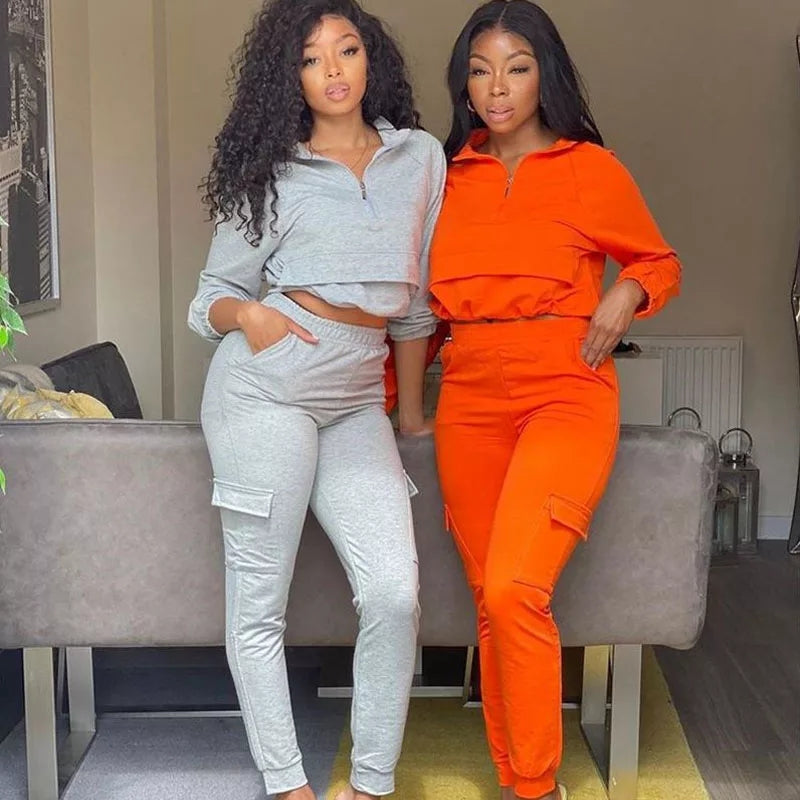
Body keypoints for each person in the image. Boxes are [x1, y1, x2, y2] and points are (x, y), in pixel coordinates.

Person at [187, 1, 446, 797]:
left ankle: (370, 782)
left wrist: (409, 416)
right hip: (265, 390)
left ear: (372, 60)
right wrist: (252, 316)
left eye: (348, 50)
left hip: (357, 398)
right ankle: (288, 784)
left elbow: (414, 306)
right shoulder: (271, 171)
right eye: (310, 57)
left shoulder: (419, 158)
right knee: (260, 603)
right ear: (288, 76)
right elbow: (207, 301)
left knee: (394, 593)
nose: (333, 70)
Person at [429, 2, 682, 798]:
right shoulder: (441, 178)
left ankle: (538, 785)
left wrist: (627, 292)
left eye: (517, 67)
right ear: (464, 84)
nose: (497, 88)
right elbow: (411, 310)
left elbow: (659, 261)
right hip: (467, 394)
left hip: (565, 387)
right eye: (480, 71)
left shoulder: (589, 168)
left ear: (546, 75)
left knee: (516, 587)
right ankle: (520, 780)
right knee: (489, 599)